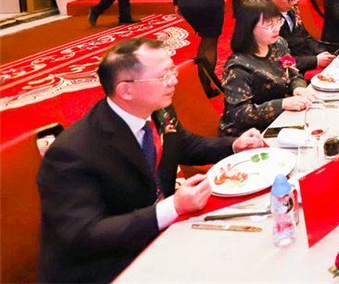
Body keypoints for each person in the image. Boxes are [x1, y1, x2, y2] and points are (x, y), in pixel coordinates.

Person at [37, 38, 266, 283]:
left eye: (172, 71)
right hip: (107, 266)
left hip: (160, 238)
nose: (174, 80)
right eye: (163, 76)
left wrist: (233, 145)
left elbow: (182, 144)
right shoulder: (73, 152)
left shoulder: (157, 109)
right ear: (126, 90)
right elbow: (85, 234)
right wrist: (172, 207)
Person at [219, 0, 310, 136]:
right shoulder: (238, 67)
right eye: (269, 25)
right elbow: (239, 113)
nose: (276, 29)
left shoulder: (279, 45)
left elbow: (293, 72)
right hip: (249, 134)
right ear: (249, 28)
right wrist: (282, 104)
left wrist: (298, 87)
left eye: (278, 21)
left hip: (279, 119)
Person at [267, 0, 335, 74]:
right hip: (293, 70)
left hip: (307, 57)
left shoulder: (291, 11)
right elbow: (280, 60)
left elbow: (306, 37)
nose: (294, 3)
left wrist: (322, 52)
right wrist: (315, 60)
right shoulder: (268, 23)